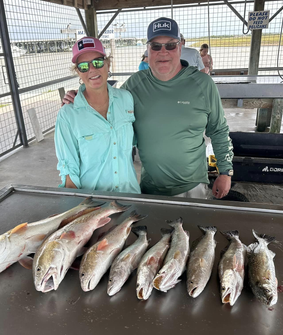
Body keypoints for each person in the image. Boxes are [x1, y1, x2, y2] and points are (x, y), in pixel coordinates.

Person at [62, 18, 233, 200]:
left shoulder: (203, 84)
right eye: (156, 46)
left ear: (180, 47)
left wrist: (225, 172)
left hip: (193, 186)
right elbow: (105, 101)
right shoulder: (134, 85)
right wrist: (78, 97)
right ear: (148, 50)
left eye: (170, 45)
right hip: (150, 189)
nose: (163, 52)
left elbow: (219, 129)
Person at [55, 36, 140, 194]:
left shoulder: (126, 99)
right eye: (83, 66)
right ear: (78, 72)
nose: (92, 70)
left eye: (98, 62)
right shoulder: (68, 114)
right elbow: (68, 169)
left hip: (131, 198)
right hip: (94, 204)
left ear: (108, 64)